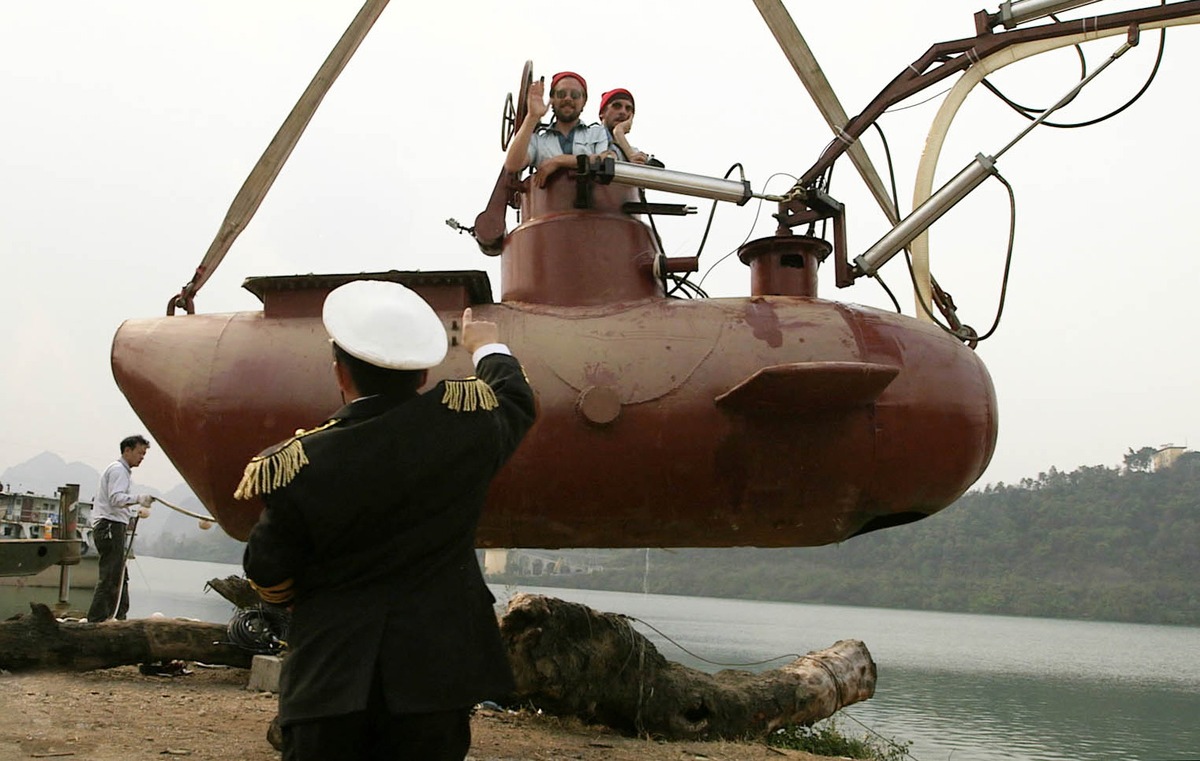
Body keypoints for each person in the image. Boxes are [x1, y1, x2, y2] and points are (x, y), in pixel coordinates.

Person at [240, 280, 537, 761]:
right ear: (422, 374)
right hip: (434, 680)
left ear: (341, 372)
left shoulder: (300, 461)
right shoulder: (466, 426)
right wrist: (487, 346)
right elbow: (515, 399)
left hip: (331, 678)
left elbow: (268, 570)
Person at [85, 435, 153, 623]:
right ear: (127, 450)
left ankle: (119, 616)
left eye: (144, 454)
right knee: (110, 575)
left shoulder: (122, 471)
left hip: (114, 525)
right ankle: (96, 620)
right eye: (140, 453)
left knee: (120, 574)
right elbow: (116, 499)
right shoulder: (118, 471)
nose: (142, 457)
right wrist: (138, 499)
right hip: (109, 526)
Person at [503, 70, 610, 186]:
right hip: (551, 203)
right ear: (552, 100)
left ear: (583, 102)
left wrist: (558, 161)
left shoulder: (597, 133)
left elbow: (606, 160)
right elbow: (512, 165)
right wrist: (532, 117)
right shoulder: (538, 141)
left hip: (593, 202)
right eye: (561, 94)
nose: (568, 99)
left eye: (575, 95)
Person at [598, 88, 650, 165]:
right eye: (617, 106)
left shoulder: (634, 152)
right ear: (603, 112)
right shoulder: (587, 136)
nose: (623, 112)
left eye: (628, 108)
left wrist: (619, 133)